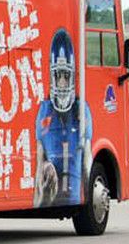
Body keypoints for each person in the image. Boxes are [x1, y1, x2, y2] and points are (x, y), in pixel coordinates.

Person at [33, 28, 93, 208]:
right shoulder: (45, 111)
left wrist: (88, 205)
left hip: (74, 197)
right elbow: (39, 171)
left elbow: (87, 165)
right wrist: (44, 197)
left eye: (65, 76)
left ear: (72, 76)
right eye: (57, 76)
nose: (61, 82)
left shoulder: (81, 110)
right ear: (52, 77)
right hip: (51, 200)